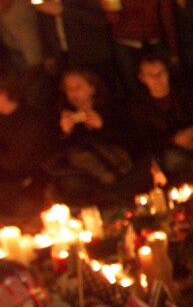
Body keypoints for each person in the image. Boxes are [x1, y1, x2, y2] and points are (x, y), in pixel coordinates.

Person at [45, 68, 142, 206]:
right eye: (69, 89)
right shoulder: (61, 116)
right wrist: (65, 134)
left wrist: (102, 127)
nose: (74, 93)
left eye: (78, 87)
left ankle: (115, 197)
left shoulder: (112, 108)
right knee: (65, 185)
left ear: (92, 88)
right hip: (88, 176)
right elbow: (51, 161)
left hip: (120, 169)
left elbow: (133, 143)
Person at [127, 50, 193, 184]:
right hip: (167, 153)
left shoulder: (186, 90)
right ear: (142, 78)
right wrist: (173, 140)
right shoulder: (138, 105)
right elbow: (143, 141)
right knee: (173, 158)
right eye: (150, 75)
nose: (157, 79)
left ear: (167, 71)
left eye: (160, 72)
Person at [0, 74, 53, 222]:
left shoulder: (30, 123)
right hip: (7, 177)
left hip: (25, 181)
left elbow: (14, 164)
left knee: (23, 205)